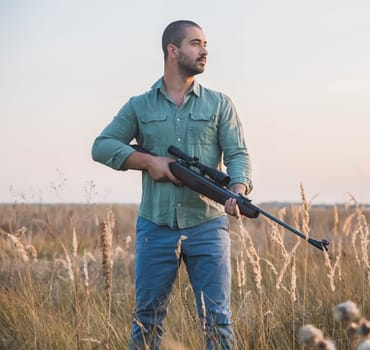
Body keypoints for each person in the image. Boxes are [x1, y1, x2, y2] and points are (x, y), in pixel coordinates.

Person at [91, 20, 252, 350]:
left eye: (206, 44)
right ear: (172, 50)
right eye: (196, 43)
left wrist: (237, 189)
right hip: (156, 226)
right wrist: (150, 162)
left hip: (208, 225)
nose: (205, 50)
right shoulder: (140, 105)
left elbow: (238, 155)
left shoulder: (220, 104)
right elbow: (102, 145)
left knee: (217, 320)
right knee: (147, 319)